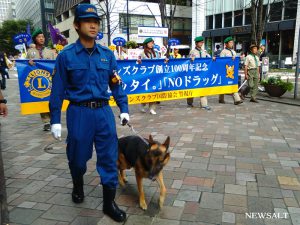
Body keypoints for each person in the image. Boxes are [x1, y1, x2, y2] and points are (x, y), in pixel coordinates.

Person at [49, 3, 129, 223]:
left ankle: (109, 203)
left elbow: (116, 83)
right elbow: (56, 91)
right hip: (79, 113)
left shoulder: (107, 55)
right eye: (88, 22)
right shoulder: (66, 56)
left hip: (103, 113)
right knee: (77, 158)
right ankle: (77, 185)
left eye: (96, 22)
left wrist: (124, 109)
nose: (93, 26)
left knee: (109, 157)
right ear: (76, 25)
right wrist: (55, 119)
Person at [27, 28, 56, 131]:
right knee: (41, 99)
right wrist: (28, 63)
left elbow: (55, 64)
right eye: (39, 37)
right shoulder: (30, 51)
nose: (41, 38)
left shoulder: (49, 51)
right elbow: (26, 66)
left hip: (50, 79)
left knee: (51, 99)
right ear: (35, 39)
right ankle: (46, 122)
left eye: (43, 37)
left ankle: (54, 119)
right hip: (37, 79)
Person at [186, 36, 212, 110]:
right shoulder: (193, 51)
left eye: (202, 42)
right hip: (194, 73)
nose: (201, 44)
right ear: (196, 43)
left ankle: (204, 104)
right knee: (192, 87)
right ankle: (189, 101)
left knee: (203, 87)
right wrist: (191, 59)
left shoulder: (204, 51)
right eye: (200, 42)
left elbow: (209, 58)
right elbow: (189, 61)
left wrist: (212, 58)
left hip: (202, 73)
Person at [138, 37, 160, 115]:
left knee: (154, 91)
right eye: (150, 43)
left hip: (154, 75)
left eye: (152, 43)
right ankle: (143, 104)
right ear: (146, 44)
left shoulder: (156, 53)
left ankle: (152, 108)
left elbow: (159, 61)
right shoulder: (142, 53)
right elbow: (139, 63)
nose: (151, 44)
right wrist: (139, 62)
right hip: (146, 75)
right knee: (146, 91)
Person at [219, 37, 243, 105]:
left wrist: (239, 59)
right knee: (223, 85)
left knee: (233, 84)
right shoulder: (223, 52)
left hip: (233, 71)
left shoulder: (233, 51)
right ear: (226, 44)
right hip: (225, 71)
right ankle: (221, 98)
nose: (232, 44)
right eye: (230, 42)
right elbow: (222, 62)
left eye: (232, 42)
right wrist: (230, 60)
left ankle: (237, 99)